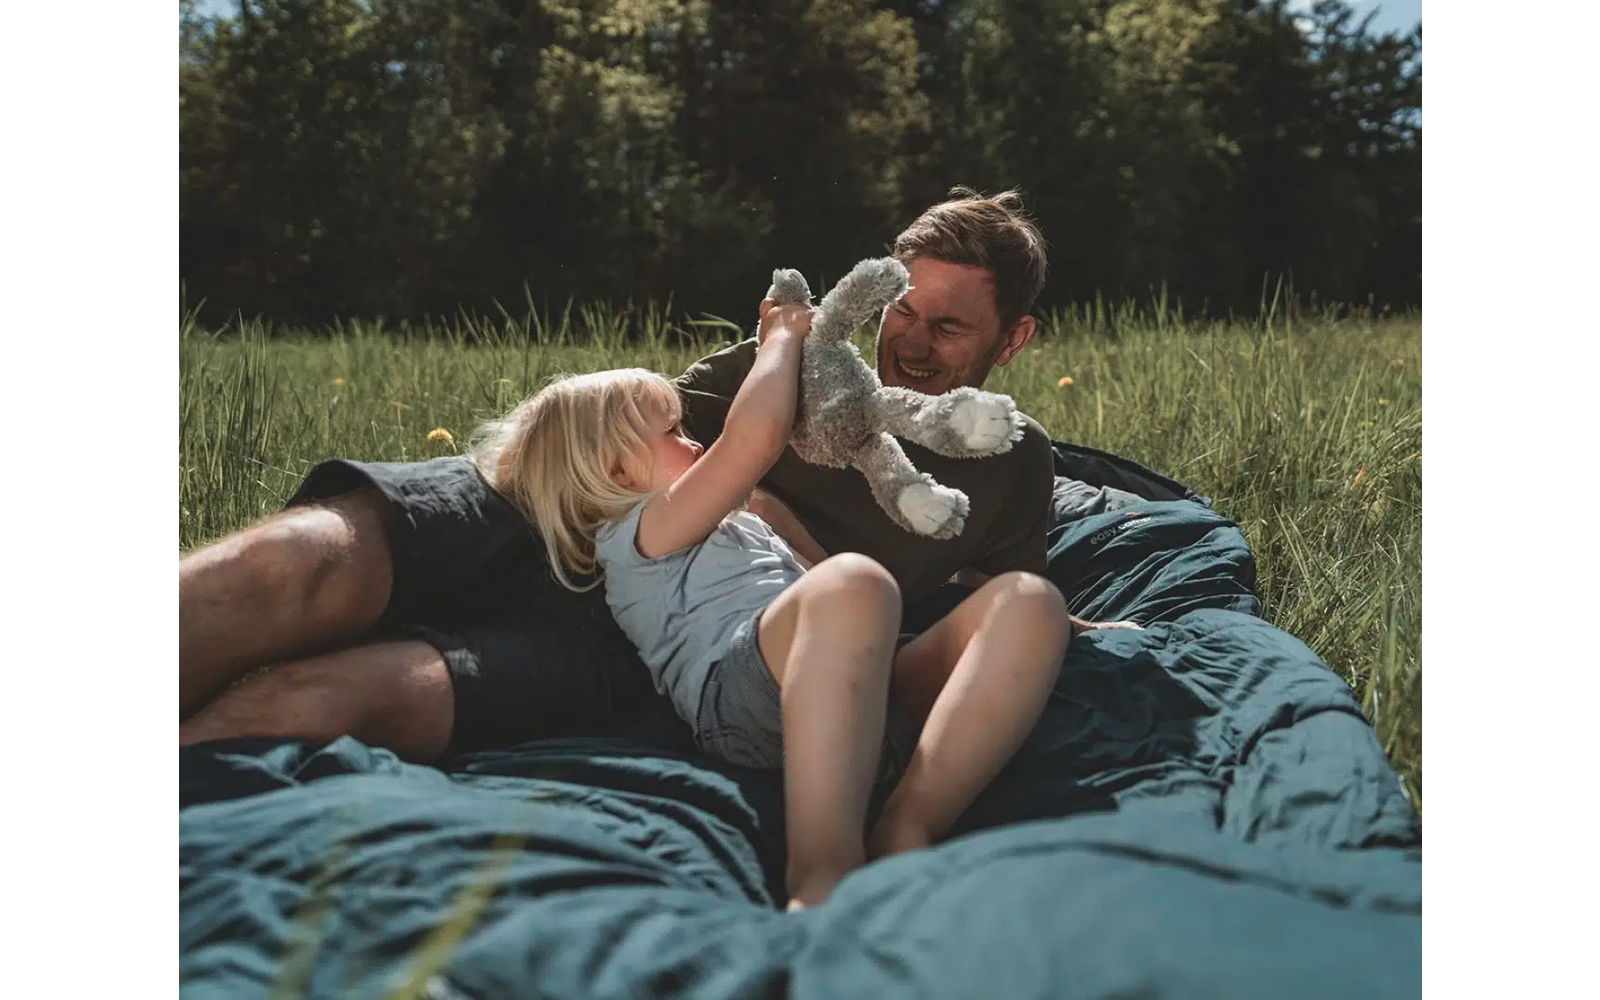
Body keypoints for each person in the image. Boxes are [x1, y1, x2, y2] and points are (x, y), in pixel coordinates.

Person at [178, 186, 1069, 763]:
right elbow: (619, 431)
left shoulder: (1015, 467)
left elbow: (988, 607)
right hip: (567, 516)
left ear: (1013, 339)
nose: (910, 341)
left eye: (948, 329)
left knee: (356, 696)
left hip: (671, 645)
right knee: (300, 562)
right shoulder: (784, 369)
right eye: (902, 312)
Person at [470, 289, 1132, 909]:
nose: (693, 440)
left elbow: (824, 582)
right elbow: (752, 443)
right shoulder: (637, 533)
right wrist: (779, 340)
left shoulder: (728, 518)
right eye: (672, 434)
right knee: (854, 581)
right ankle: (821, 870)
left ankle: (910, 823)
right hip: (744, 698)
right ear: (616, 473)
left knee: (1029, 601)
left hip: (845, 683)